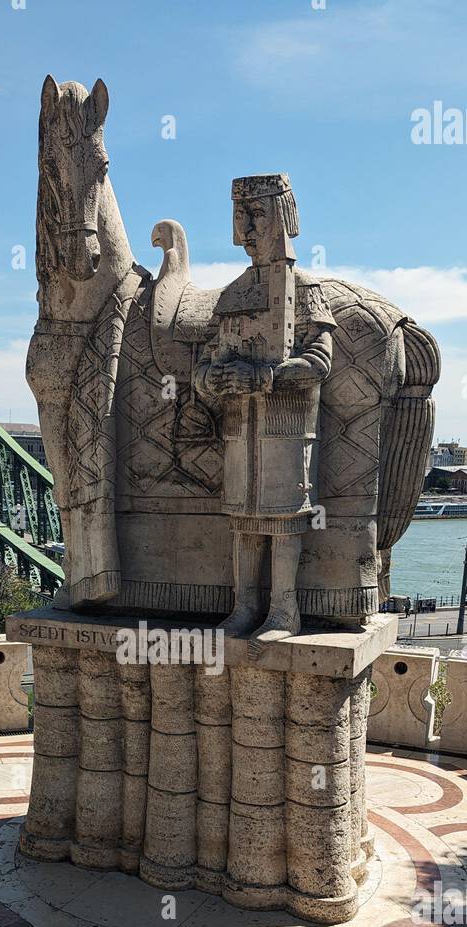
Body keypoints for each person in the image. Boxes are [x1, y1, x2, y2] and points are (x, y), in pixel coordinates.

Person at [195, 173, 335, 640]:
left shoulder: (306, 287)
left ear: (279, 217)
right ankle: (245, 607)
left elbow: (319, 360)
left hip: (286, 426)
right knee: (245, 521)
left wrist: (267, 376)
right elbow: (204, 365)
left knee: (283, 516)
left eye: (255, 216)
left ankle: (283, 612)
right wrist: (212, 377)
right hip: (240, 428)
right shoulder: (233, 293)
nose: (246, 232)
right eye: (240, 218)